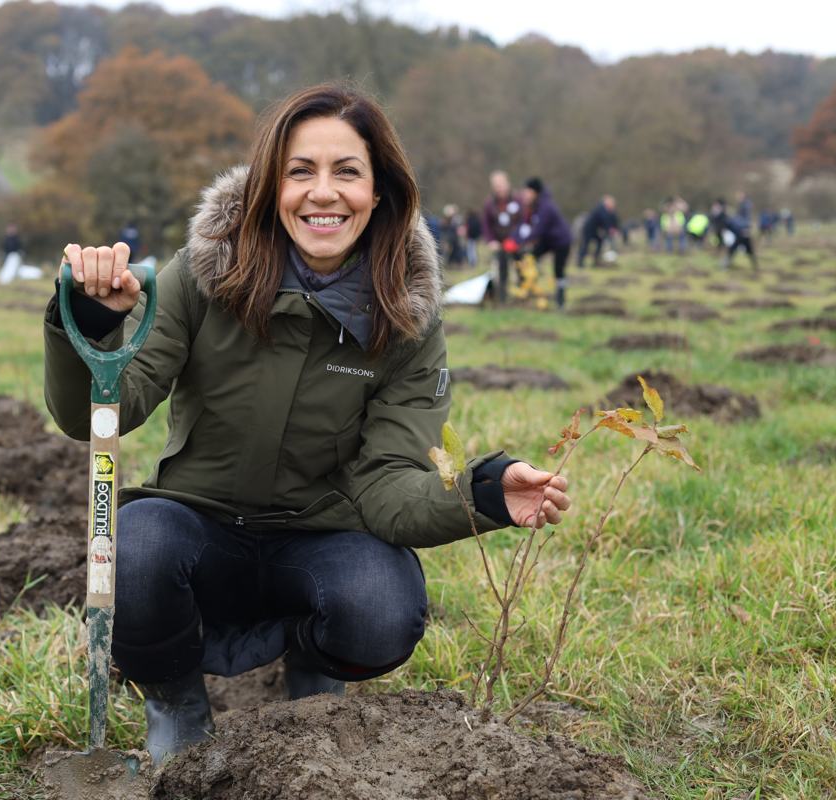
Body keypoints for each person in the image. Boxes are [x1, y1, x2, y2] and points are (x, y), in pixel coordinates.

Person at [44, 83, 572, 764]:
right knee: (132, 554)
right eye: (301, 172)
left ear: (379, 192)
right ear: (271, 186)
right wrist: (88, 323)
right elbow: (105, 416)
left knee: (381, 605)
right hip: (199, 526)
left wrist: (486, 491)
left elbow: (388, 484)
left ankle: (314, 677)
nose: (324, 193)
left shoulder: (406, 318)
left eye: (347, 172)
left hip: (323, 539)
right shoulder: (203, 276)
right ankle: (177, 700)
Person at [514, 177, 573, 309]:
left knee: (559, 270)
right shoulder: (533, 206)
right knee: (529, 258)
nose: (525, 195)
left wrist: (521, 242)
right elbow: (525, 225)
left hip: (561, 241)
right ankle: (531, 288)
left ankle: (560, 300)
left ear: (535, 192)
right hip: (548, 240)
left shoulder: (546, 207)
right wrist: (515, 240)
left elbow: (538, 229)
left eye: (527, 192)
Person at [482, 171, 522, 304]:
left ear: (507, 183)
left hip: (516, 242)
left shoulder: (518, 200)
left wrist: (516, 238)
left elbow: (523, 220)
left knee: (521, 268)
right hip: (500, 243)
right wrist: (491, 241)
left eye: (501, 184)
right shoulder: (489, 203)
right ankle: (502, 299)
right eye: (496, 185)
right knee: (502, 271)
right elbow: (486, 225)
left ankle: (523, 295)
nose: (499, 188)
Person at [710, 200, 758, 272]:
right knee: (733, 251)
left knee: (743, 251)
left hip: (741, 236)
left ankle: (755, 266)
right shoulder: (733, 217)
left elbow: (726, 226)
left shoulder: (731, 218)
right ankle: (725, 264)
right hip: (741, 236)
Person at [577, 195, 619, 268]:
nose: (612, 205)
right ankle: (580, 262)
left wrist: (615, 228)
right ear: (606, 202)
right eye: (611, 203)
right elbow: (605, 220)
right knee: (585, 245)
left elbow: (613, 220)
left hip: (595, 230)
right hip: (588, 229)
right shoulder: (600, 209)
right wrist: (609, 229)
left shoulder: (609, 211)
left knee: (600, 241)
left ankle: (595, 261)